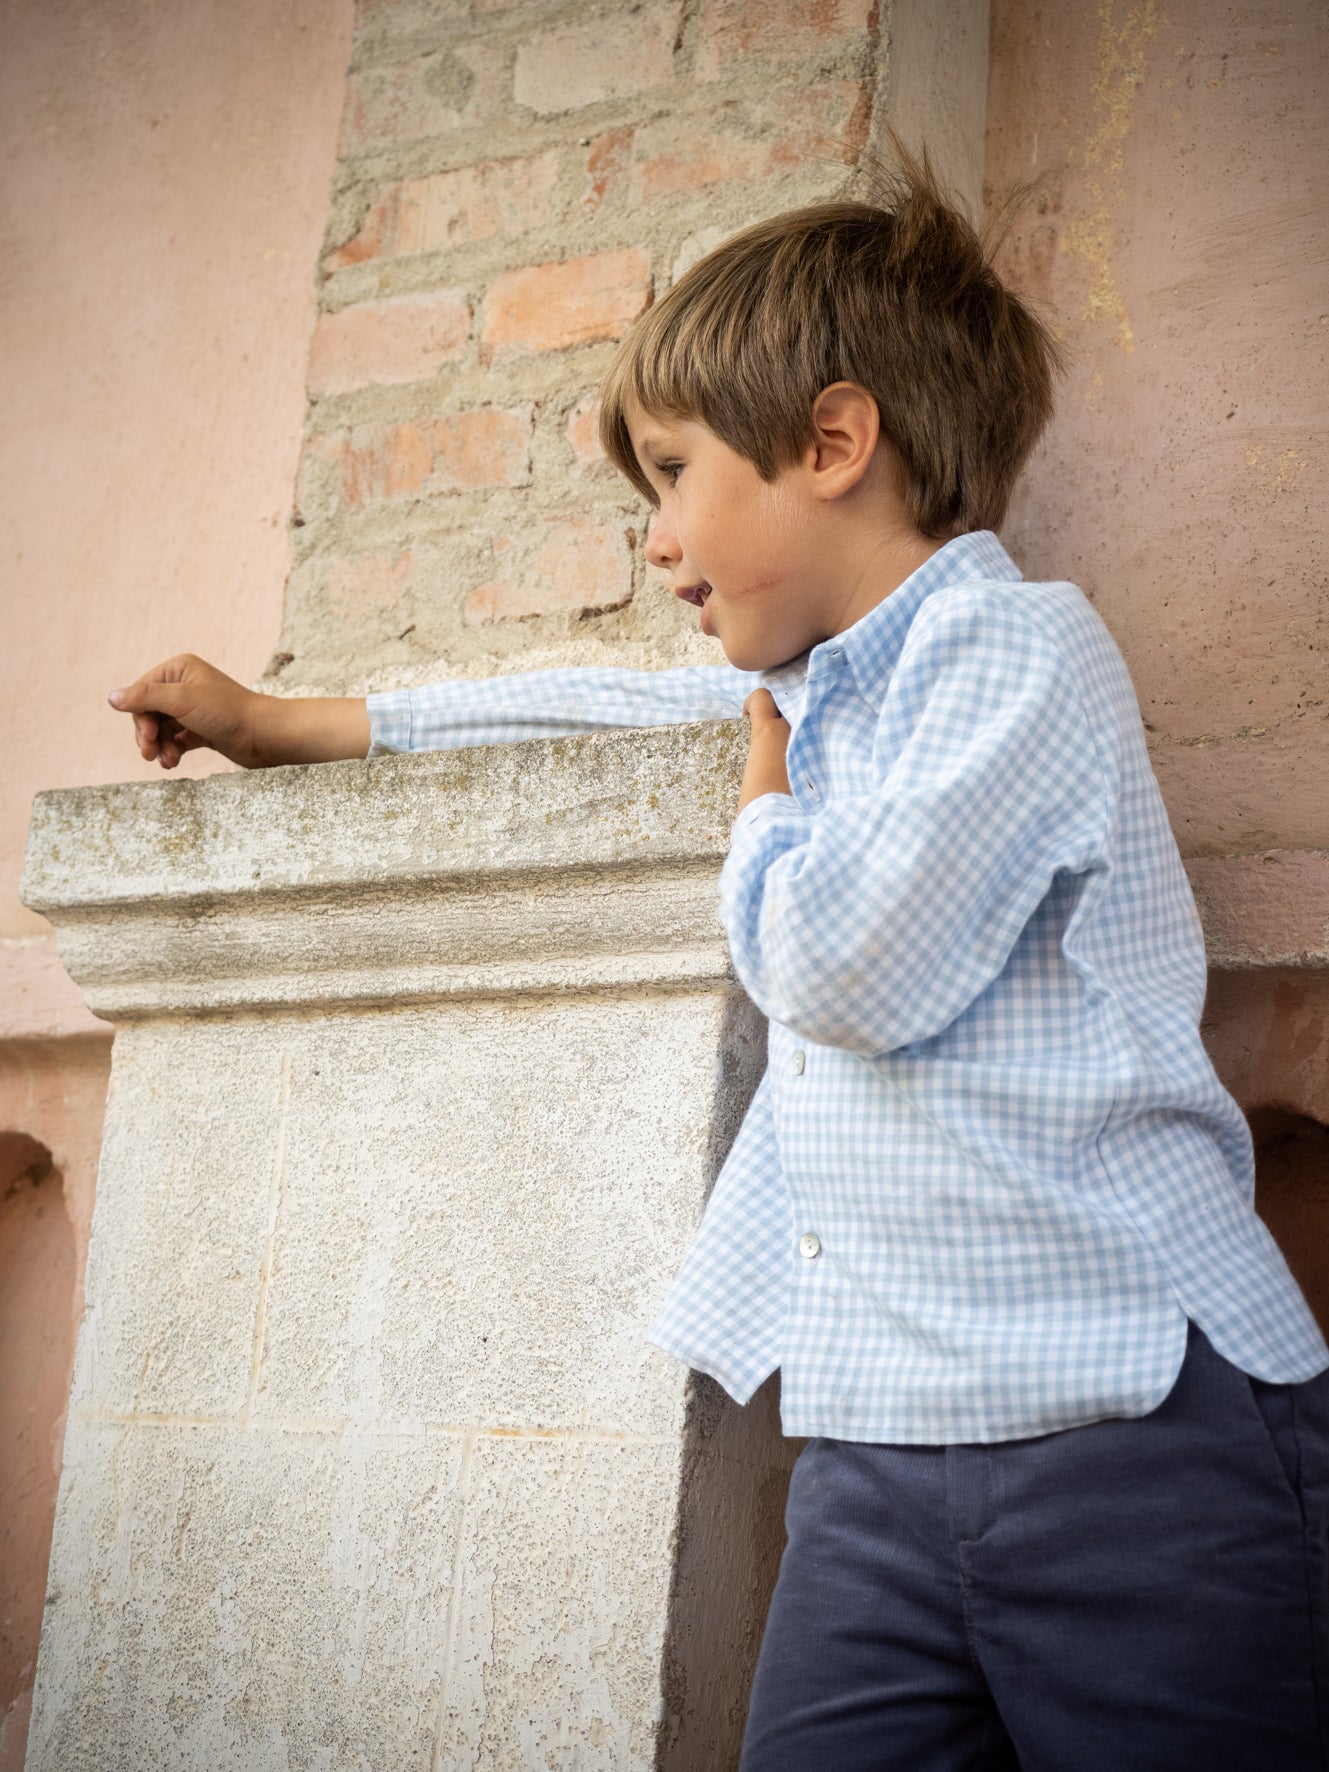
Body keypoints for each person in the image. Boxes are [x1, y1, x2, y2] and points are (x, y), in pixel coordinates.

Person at [109, 152, 1329, 1768]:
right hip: (876, 1451)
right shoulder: (820, 691)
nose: (658, 539)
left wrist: (759, 808)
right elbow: (593, 701)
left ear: (831, 442)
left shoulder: (1016, 654)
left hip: (1132, 1436)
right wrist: (282, 727)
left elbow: (841, 967)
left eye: (673, 476)